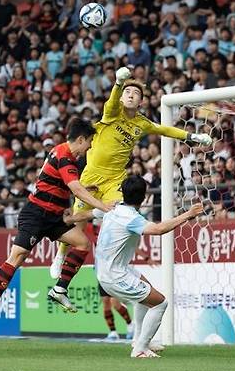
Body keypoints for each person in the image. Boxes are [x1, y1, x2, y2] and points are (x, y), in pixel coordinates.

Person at [49, 67, 211, 292]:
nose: (131, 95)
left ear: (141, 101)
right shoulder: (112, 113)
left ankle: (117, 263)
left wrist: (190, 137)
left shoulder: (142, 123)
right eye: (127, 92)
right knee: (78, 222)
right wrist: (118, 82)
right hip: (91, 176)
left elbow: (164, 129)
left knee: (118, 212)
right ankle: (60, 255)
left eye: (135, 93)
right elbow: (112, 101)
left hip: (115, 180)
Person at [0, 118, 114, 333]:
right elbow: (76, 190)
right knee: (17, 257)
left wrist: (85, 186)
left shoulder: (60, 152)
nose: (88, 148)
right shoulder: (65, 157)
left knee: (82, 243)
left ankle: (60, 289)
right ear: (80, 139)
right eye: (88, 142)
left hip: (54, 217)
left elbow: (63, 184)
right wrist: (103, 206)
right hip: (36, 214)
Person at [65, 176, 204, 357]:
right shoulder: (130, 217)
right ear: (145, 197)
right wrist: (188, 215)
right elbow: (158, 229)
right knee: (160, 303)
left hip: (112, 269)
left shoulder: (112, 208)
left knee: (147, 292)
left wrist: (69, 220)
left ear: (122, 192)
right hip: (114, 275)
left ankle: (139, 339)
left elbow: (87, 215)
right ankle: (140, 349)